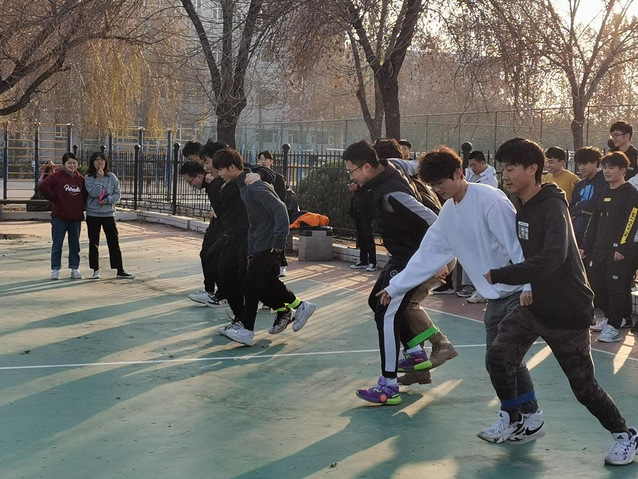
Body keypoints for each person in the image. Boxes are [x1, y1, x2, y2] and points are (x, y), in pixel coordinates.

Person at [484, 137, 637, 466]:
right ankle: (515, 418)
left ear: (532, 169)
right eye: (502, 169)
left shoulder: (552, 207)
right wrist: (523, 282)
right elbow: (526, 252)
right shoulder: (521, 203)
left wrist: (503, 274)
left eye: (510, 168)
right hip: (535, 306)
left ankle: (625, 435)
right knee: (498, 355)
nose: (504, 175)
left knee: (584, 388)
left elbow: (553, 257)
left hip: (568, 312)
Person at [377, 146, 542, 438]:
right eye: (432, 185)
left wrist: (530, 284)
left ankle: (517, 417)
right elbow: (428, 253)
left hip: (518, 294)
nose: (437, 190)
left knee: (502, 359)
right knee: (502, 361)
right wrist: (396, 286)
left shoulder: (490, 200)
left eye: (441, 183)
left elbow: (517, 244)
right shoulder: (448, 213)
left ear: (458, 173)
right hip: (494, 297)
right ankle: (525, 417)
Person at [345, 140, 456, 404]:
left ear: (367, 167)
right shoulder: (390, 166)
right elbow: (413, 165)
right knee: (376, 301)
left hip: (414, 258)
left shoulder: (392, 194)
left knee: (386, 312)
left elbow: (433, 220)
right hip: (402, 255)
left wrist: (439, 257)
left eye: (352, 171)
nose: (350, 177)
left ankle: (389, 385)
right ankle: (415, 352)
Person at [213, 148, 317, 347]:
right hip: (258, 242)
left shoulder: (254, 187)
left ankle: (247, 330)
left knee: (250, 285)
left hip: (268, 243)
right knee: (267, 283)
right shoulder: (243, 185)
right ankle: (300, 306)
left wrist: (278, 242)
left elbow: (280, 209)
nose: (219, 174)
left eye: (221, 170)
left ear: (232, 167)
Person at [581, 151, 638, 342]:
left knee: (615, 288)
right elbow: (594, 222)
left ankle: (614, 327)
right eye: (604, 167)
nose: (606, 171)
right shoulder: (603, 193)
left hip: (618, 250)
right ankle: (611, 318)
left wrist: (622, 247)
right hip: (599, 249)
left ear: (623, 170)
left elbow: (631, 221)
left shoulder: (631, 193)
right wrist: (585, 246)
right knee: (596, 284)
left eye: (611, 167)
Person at [183, 141, 227, 307]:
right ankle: (213, 292)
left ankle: (223, 294)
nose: (203, 165)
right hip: (218, 222)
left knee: (217, 257)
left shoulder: (217, 179)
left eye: (192, 158)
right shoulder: (211, 178)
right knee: (207, 254)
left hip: (228, 225)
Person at [84, 152, 134, 280]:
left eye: (102, 160)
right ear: (92, 163)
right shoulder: (88, 177)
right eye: (96, 160)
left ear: (105, 162)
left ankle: (120, 269)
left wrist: (106, 200)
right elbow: (94, 193)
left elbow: (117, 195)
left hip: (108, 214)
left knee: (113, 241)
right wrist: (99, 179)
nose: (99, 162)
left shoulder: (112, 177)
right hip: (93, 214)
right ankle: (95, 270)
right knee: (93, 242)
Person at [457, 150, 498, 302]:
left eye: (474, 165)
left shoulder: (490, 179)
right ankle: (470, 285)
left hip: (482, 219)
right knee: (468, 251)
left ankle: (483, 288)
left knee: (482, 253)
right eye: (470, 165)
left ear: (482, 163)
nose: (472, 168)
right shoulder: (468, 174)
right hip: (468, 218)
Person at [38, 152, 86, 280]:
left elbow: (86, 195)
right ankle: (55, 269)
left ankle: (74, 268)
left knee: (75, 245)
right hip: (59, 217)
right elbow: (43, 186)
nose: (72, 165)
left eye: (74, 163)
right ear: (64, 164)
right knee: (57, 244)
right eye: (69, 163)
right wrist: (55, 199)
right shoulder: (57, 176)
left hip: (75, 218)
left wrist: (82, 206)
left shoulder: (81, 179)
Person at [257, 150, 288, 277]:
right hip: (262, 215)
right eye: (260, 159)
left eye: (266, 159)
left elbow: (282, 196)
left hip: (275, 212)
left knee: (278, 237)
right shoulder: (256, 177)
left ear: (271, 162)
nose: (263, 161)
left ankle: (282, 264)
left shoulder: (278, 178)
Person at [569, 147, 607, 246]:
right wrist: (582, 210)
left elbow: (596, 204)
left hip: (597, 233)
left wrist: (579, 206)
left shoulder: (604, 181)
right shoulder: (579, 185)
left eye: (585, 164)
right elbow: (571, 207)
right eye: (579, 164)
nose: (581, 168)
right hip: (578, 232)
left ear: (595, 163)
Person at [349, 182, 377, 272]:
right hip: (358, 213)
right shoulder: (358, 186)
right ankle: (363, 260)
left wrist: (357, 187)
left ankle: (372, 262)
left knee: (368, 237)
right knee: (361, 237)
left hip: (365, 214)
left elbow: (367, 189)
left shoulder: (366, 184)